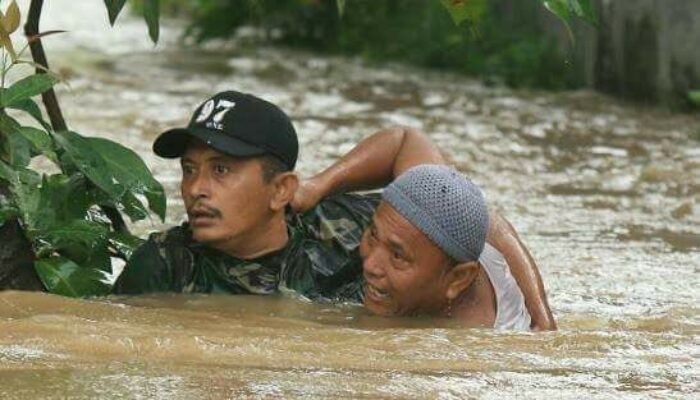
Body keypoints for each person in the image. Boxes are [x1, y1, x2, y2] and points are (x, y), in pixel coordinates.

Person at [114, 90, 556, 330]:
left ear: (281, 188)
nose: (196, 189)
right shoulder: (164, 265)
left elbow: (464, 208)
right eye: (189, 170)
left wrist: (542, 319)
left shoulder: (346, 226)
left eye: (222, 170)